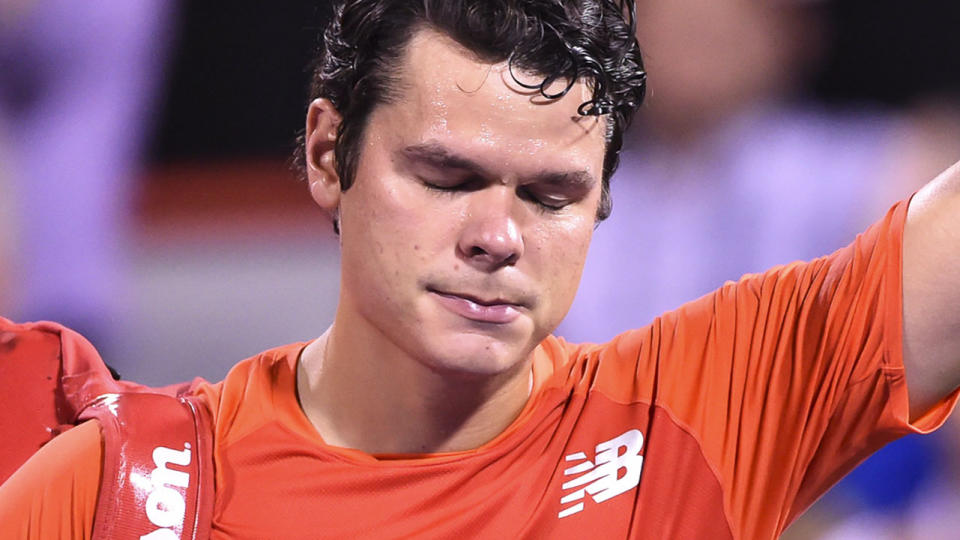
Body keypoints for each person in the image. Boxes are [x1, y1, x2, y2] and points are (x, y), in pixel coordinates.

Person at [1, 1, 958, 538]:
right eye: (447, 176)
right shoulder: (120, 489)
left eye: (550, 196)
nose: (497, 235)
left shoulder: (697, 419)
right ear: (330, 155)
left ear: (602, 205)